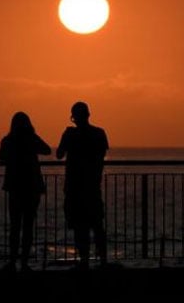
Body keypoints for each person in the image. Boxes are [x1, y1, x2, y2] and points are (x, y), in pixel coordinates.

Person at [56, 101, 109, 270]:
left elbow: (58, 154)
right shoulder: (99, 133)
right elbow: (101, 156)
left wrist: (67, 136)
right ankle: (103, 261)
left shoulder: (70, 135)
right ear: (88, 115)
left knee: (80, 226)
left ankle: (84, 260)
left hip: (74, 187)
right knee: (97, 225)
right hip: (92, 186)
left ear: (74, 117)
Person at [0, 111, 51, 273]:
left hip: (15, 188)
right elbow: (47, 150)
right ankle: (24, 263)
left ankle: (13, 262)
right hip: (32, 188)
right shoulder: (31, 139)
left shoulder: (8, 140)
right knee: (28, 227)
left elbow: (2, 158)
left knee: (15, 226)